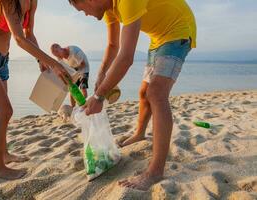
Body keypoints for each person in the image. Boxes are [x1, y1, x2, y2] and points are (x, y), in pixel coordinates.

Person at [68, 0, 196, 191]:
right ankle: (139, 134)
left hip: (177, 29)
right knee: (144, 93)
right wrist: (102, 73)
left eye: (82, 9)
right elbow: (113, 45)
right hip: (158, 37)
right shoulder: (109, 7)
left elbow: (126, 57)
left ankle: (155, 171)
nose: (85, 14)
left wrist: (99, 96)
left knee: (157, 93)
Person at [0, 0, 71, 180]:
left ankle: (4, 154)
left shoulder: (32, 2)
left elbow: (29, 34)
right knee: (4, 111)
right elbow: (19, 39)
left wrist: (41, 61)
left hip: (2, 59)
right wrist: (53, 63)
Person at [51, 43, 90, 107]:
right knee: (73, 90)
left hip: (83, 69)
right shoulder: (60, 58)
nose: (58, 56)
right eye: (56, 55)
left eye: (57, 52)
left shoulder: (74, 51)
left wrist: (73, 69)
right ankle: (73, 108)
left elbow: (83, 64)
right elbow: (60, 68)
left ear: (61, 48)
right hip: (74, 72)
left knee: (83, 88)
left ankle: (85, 105)